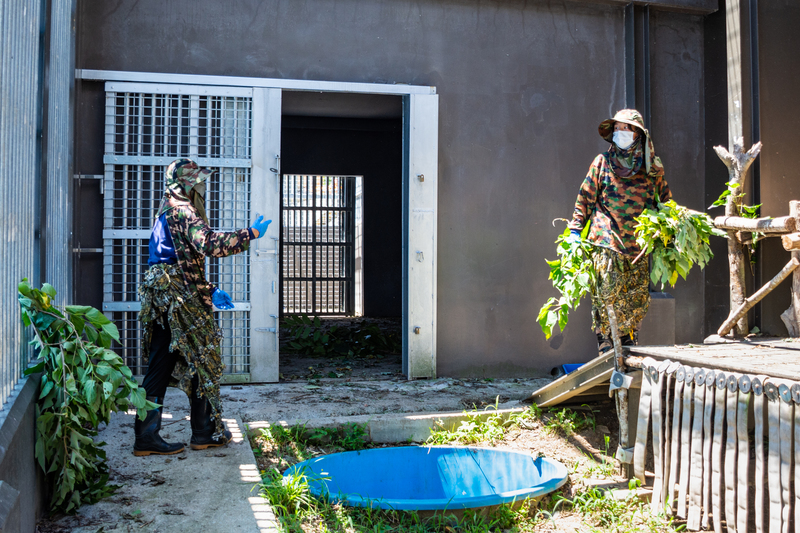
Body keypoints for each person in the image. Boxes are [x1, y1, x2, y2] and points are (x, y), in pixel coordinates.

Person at [134, 158, 271, 456]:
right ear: (186, 183)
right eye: (198, 181)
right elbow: (208, 244)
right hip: (176, 297)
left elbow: (178, 261)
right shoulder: (184, 211)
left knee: (175, 360)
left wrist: (209, 289)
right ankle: (192, 433)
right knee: (198, 359)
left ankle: (188, 433)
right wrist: (250, 234)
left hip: (165, 293)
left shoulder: (167, 211)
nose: (202, 186)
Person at [567, 109, 671, 353]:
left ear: (638, 134)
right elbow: (585, 198)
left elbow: (665, 202)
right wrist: (575, 230)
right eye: (617, 128)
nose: (620, 133)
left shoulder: (651, 168)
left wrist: (670, 231)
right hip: (606, 242)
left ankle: (628, 346)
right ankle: (605, 344)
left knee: (635, 299)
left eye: (626, 128)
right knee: (607, 297)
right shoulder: (602, 162)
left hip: (638, 247)